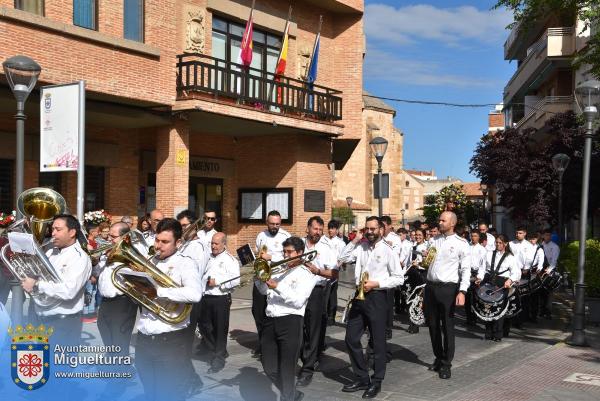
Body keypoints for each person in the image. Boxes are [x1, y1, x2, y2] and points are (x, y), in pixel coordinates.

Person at [134, 218, 202, 401]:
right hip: (144, 338)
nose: (158, 246)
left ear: (178, 243)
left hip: (170, 341)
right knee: (150, 391)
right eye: (157, 240)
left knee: (169, 394)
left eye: (165, 242)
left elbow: (195, 294)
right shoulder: (150, 261)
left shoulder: (185, 263)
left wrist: (158, 291)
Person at [339, 216, 403, 399]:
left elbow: (399, 278)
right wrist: (356, 239)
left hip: (377, 297)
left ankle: (376, 382)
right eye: (367, 228)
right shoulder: (361, 246)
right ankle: (361, 377)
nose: (370, 231)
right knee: (351, 338)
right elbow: (342, 258)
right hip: (359, 298)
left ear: (381, 230)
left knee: (378, 343)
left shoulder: (388, 250)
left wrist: (377, 283)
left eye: (373, 229)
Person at [258, 236, 318, 401]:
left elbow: (298, 301)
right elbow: (264, 292)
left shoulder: (307, 274)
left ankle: (288, 396)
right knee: (269, 367)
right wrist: (260, 279)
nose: (285, 256)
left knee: (287, 367)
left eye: (289, 252)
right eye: (284, 252)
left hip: (290, 321)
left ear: (300, 253)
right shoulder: (279, 269)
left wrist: (278, 287)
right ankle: (292, 393)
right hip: (270, 319)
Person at [20, 214, 92, 346]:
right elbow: (39, 275)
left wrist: (36, 284)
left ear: (72, 232)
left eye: (58, 230)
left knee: (58, 364)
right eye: (52, 229)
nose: (53, 233)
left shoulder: (80, 257)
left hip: (63, 322)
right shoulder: (50, 252)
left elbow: (69, 291)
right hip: (41, 317)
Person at [424, 211, 471, 380]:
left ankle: (446, 363)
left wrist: (463, 291)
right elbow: (428, 263)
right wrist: (424, 259)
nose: (439, 222)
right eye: (439, 219)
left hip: (448, 289)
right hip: (430, 287)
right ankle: (438, 356)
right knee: (433, 325)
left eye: (443, 220)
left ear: (452, 223)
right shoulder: (433, 240)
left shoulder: (461, 243)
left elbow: (466, 269)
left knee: (447, 326)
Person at [297, 216, 338, 387]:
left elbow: (334, 274)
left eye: (321, 230)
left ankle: (307, 368)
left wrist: (318, 271)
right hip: (297, 290)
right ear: (307, 228)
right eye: (315, 229)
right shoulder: (298, 243)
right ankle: (306, 355)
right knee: (298, 328)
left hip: (316, 291)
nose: (318, 232)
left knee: (314, 330)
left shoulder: (326, 247)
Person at [199, 232, 240, 372]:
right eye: (212, 243)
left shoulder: (230, 260)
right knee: (205, 327)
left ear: (224, 244)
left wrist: (217, 282)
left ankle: (218, 358)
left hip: (220, 298)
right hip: (205, 296)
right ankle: (217, 350)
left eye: (216, 243)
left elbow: (236, 281)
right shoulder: (207, 257)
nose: (213, 246)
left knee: (220, 329)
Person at [96, 222, 137, 360]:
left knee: (119, 338)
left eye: (113, 237)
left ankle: (121, 373)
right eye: (109, 236)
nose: (109, 240)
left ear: (124, 238)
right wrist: (97, 261)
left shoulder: (130, 253)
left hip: (122, 301)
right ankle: (113, 362)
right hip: (106, 301)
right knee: (104, 329)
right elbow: (98, 273)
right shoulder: (107, 252)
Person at [254, 210, 291, 357]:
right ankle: (262, 342)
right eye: (272, 224)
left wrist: (270, 256)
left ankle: (271, 345)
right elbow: (258, 253)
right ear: (266, 222)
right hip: (260, 280)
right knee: (258, 312)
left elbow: (288, 257)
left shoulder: (286, 236)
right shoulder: (261, 236)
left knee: (272, 315)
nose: (275, 226)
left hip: (276, 280)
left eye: (277, 224)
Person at [475, 234, 521, 341]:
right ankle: (488, 332)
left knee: (499, 309)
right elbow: (482, 268)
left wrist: (510, 280)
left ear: (505, 244)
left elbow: (516, 272)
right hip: (488, 281)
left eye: (500, 243)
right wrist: (479, 278)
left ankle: (498, 334)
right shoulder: (489, 254)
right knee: (487, 307)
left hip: (502, 282)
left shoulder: (510, 257)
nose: (497, 244)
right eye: (496, 242)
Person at [382, 216, 402, 339]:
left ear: (389, 226)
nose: (382, 228)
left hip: (389, 276)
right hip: (378, 275)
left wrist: (388, 246)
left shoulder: (395, 238)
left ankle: (388, 328)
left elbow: (395, 255)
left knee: (389, 304)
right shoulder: (378, 237)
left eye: (384, 226)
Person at [406, 228, 428, 333]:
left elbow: (428, 264)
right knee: (412, 299)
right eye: (416, 235)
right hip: (413, 275)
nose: (417, 236)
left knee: (419, 300)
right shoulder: (413, 247)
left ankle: (415, 324)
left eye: (420, 235)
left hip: (422, 275)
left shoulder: (428, 247)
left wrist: (418, 265)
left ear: (424, 236)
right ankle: (413, 322)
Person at [324, 220, 345, 325]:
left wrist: (338, 267)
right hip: (324, 272)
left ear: (337, 230)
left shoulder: (341, 243)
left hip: (334, 272)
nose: (330, 230)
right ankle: (324, 315)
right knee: (325, 295)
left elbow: (342, 258)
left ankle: (331, 316)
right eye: (329, 228)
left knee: (332, 295)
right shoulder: (324, 241)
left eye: (332, 228)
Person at [465, 231, 487, 325]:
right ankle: (469, 317)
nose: (473, 237)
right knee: (466, 297)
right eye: (472, 236)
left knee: (475, 297)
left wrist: (479, 277)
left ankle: (475, 316)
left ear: (479, 237)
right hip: (467, 273)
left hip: (476, 273)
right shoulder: (467, 247)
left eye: (475, 236)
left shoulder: (482, 249)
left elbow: (483, 265)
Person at [540, 230, 560, 319]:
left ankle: (548, 312)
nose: (547, 237)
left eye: (549, 235)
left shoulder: (555, 247)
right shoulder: (540, 245)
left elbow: (554, 261)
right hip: (541, 271)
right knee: (541, 292)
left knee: (549, 293)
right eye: (545, 235)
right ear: (543, 236)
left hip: (549, 271)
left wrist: (549, 269)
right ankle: (541, 310)